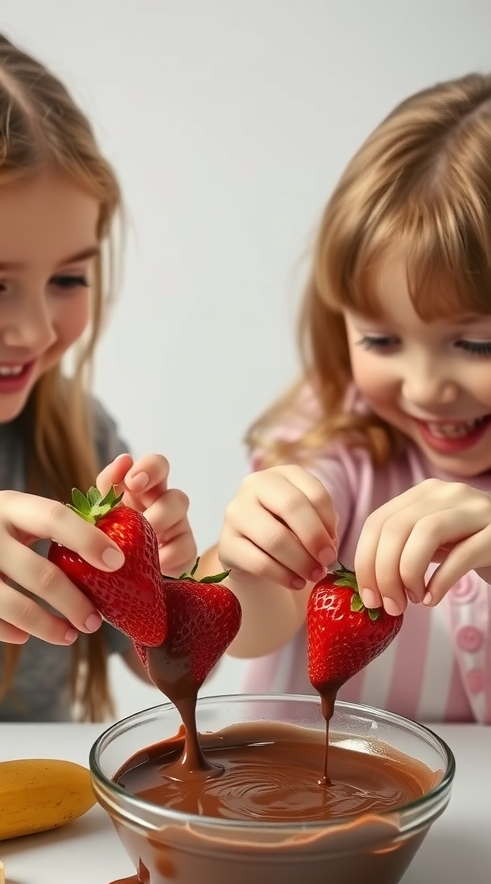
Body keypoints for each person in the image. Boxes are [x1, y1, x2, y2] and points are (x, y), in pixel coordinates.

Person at [0, 16, 196, 722]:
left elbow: (145, 645)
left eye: (68, 279)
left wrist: (166, 583)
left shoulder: (75, 431)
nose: (37, 331)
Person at [203, 73, 491, 724]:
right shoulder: (332, 437)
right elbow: (254, 624)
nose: (424, 387)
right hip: (295, 802)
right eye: (382, 339)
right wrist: (249, 563)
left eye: (476, 346)